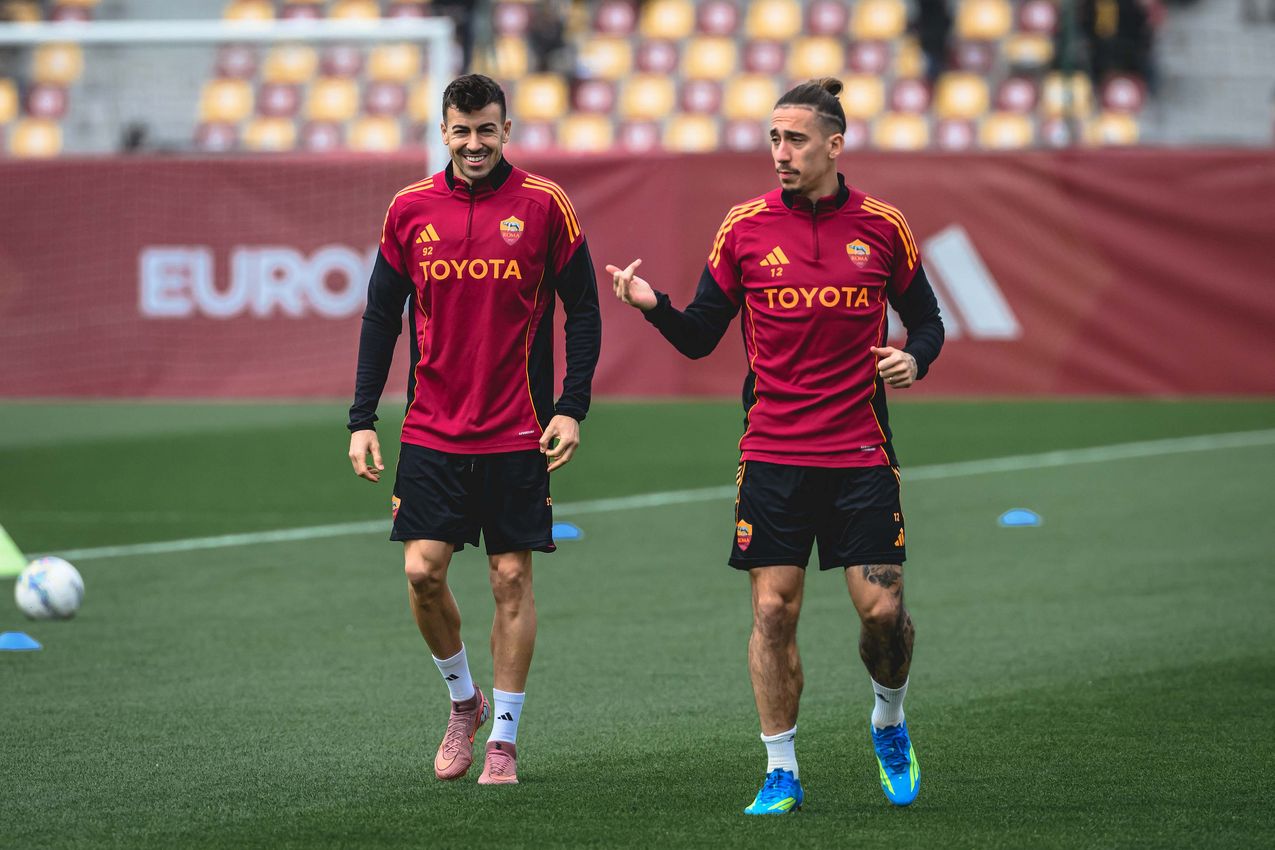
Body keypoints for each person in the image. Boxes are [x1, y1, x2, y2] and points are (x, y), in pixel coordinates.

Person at [607, 78, 943, 815]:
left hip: (859, 453)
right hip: (772, 454)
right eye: (772, 139)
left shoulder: (883, 227)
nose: (780, 153)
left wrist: (913, 357)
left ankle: (888, 718)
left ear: (834, 144)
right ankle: (781, 769)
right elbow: (700, 334)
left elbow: (927, 321)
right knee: (772, 614)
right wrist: (653, 306)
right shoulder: (743, 228)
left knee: (882, 614)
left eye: (794, 139)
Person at [347, 73, 601, 786]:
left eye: (486, 129)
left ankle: (504, 741)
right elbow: (378, 317)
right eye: (461, 131)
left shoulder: (545, 206)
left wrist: (570, 406)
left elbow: (582, 311)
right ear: (443, 133)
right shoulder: (409, 209)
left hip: (518, 429)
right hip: (431, 428)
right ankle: (464, 701)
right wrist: (362, 419)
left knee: (510, 577)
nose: (474, 143)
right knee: (422, 572)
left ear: (506, 130)